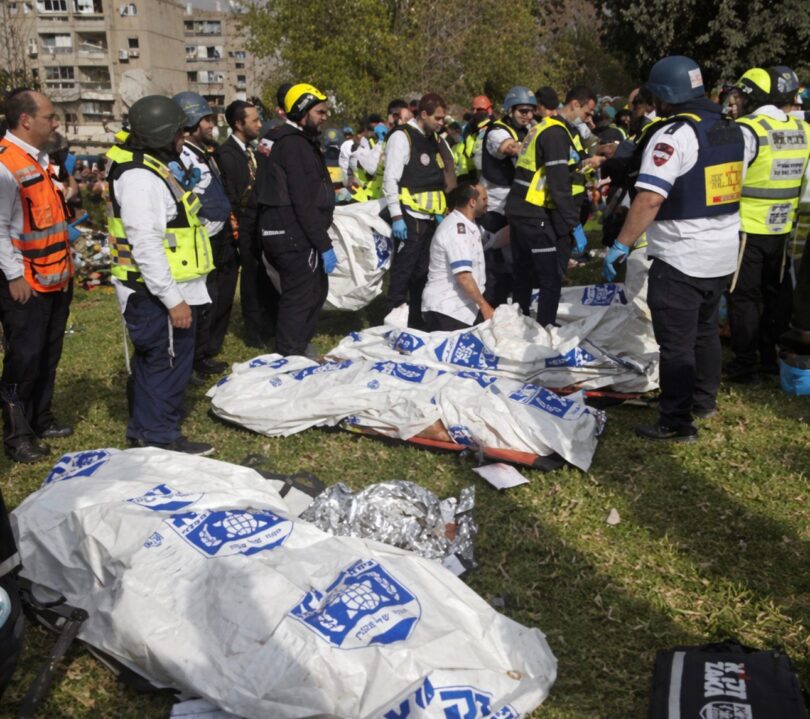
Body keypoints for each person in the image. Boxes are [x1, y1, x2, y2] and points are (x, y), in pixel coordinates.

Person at [603, 56, 748, 441]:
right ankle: (704, 401)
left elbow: (650, 199)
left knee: (676, 343)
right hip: (722, 254)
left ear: (664, 96)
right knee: (705, 332)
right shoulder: (733, 129)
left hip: (682, 256)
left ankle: (675, 421)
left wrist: (621, 244)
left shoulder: (674, 135)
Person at [106, 95, 215, 455]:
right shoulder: (140, 178)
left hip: (164, 288)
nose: (184, 138)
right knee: (166, 363)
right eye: (179, 132)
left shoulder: (150, 168)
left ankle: (145, 429)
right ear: (162, 135)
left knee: (157, 362)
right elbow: (146, 244)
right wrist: (173, 300)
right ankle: (159, 436)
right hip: (155, 293)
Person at [0, 88, 75, 463]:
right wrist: (15, 276)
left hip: (56, 276)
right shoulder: (5, 164)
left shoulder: (42, 159)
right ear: (25, 120)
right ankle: (17, 435)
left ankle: (41, 419)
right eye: (50, 117)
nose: (55, 123)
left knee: (48, 353)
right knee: (23, 360)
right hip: (25, 284)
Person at [725, 66, 810, 382]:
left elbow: (733, 178)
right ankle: (768, 358)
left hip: (747, 227)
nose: (735, 101)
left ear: (753, 98)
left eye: (740, 95)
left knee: (744, 298)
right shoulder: (803, 129)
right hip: (783, 227)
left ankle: (745, 364)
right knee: (773, 295)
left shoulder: (748, 130)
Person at [249, 83, 337, 357]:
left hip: (285, 229)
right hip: (293, 232)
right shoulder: (293, 144)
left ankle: (298, 346)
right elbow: (302, 199)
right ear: (301, 111)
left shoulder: (278, 139)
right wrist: (323, 244)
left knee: (315, 291)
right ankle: (290, 354)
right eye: (319, 112)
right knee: (300, 297)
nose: (324, 117)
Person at [505, 85, 597, 326]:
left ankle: (520, 321)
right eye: (586, 113)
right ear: (574, 104)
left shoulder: (541, 128)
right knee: (551, 275)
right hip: (534, 212)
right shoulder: (556, 133)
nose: (587, 119)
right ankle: (545, 326)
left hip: (519, 208)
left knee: (523, 270)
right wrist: (573, 224)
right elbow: (558, 185)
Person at [173, 92, 234, 379]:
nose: (211, 126)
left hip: (214, 233)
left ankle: (201, 355)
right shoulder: (182, 155)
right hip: (199, 238)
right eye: (206, 120)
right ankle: (193, 359)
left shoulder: (200, 152)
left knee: (210, 298)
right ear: (191, 122)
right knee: (200, 301)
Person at [383, 93, 456, 328]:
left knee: (423, 272)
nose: (441, 123)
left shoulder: (433, 139)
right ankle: (393, 317)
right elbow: (390, 179)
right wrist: (397, 216)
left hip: (431, 217)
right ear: (424, 114)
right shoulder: (402, 137)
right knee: (404, 270)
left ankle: (416, 319)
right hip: (409, 216)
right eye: (438, 118)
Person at [216, 99, 276, 349]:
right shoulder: (227, 154)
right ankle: (254, 332)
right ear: (238, 124)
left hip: (259, 223)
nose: (259, 125)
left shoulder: (253, 150)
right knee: (250, 280)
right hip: (243, 225)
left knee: (264, 276)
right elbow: (231, 194)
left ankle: (268, 323)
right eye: (254, 120)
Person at [479, 86, 537, 306]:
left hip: (516, 203)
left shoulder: (528, 129)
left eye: (531, 111)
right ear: (510, 110)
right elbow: (509, 148)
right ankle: (492, 304)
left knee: (518, 258)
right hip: (495, 207)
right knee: (495, 262)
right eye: (522, 111)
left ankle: (516, 302)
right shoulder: (497, 131)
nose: (527, 116)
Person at [422, 182, 493, 331]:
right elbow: (463, 277)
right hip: (447, 309)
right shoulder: (456, 230)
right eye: (484, 199)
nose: (488, 203)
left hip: (462, 307)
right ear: (472, 202)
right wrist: (484, 306)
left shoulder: (469, 224)